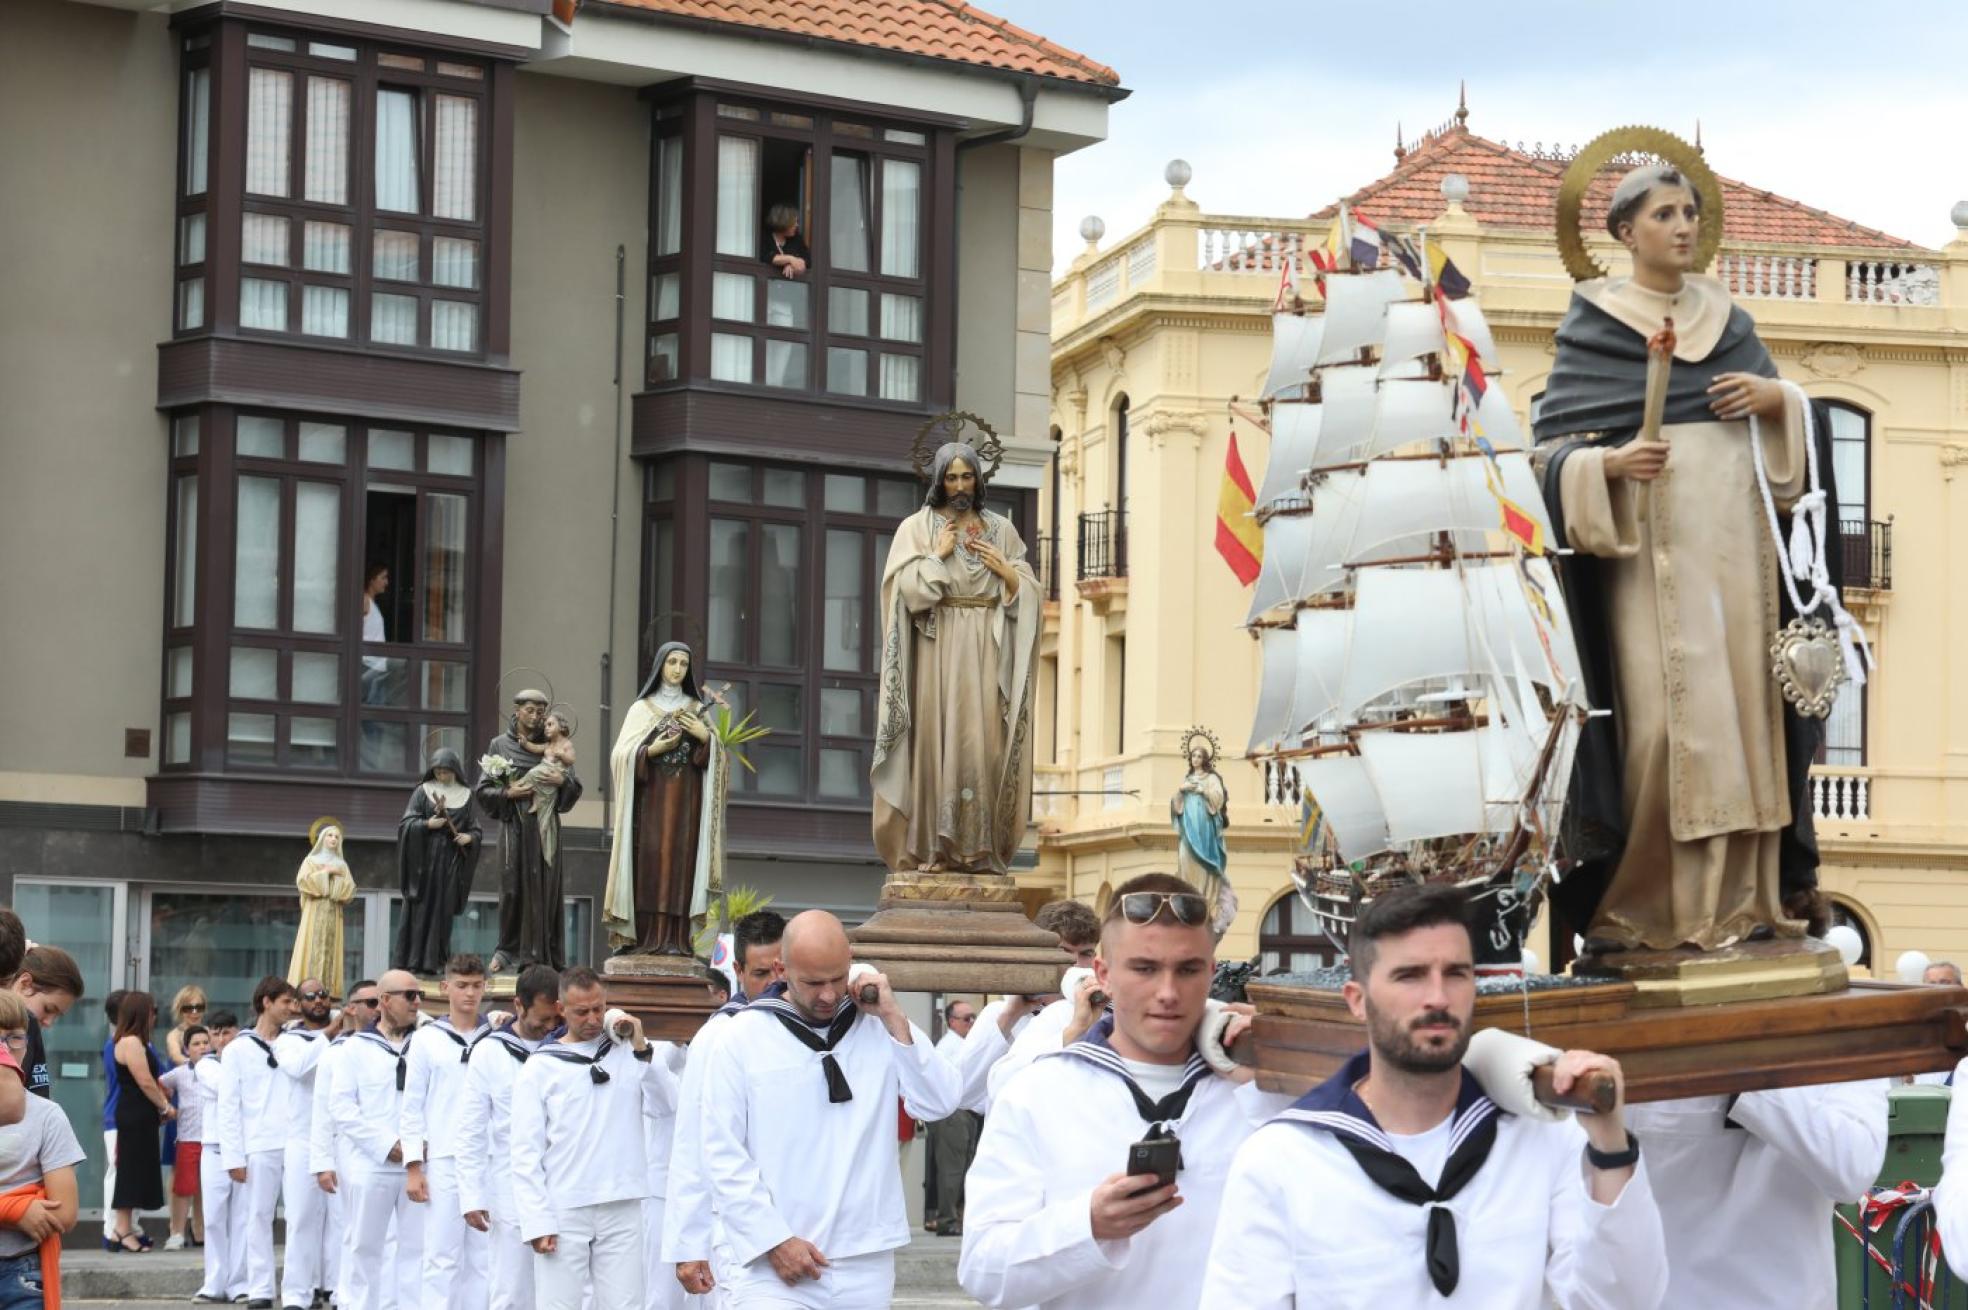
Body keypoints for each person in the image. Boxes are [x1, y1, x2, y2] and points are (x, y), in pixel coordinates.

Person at [1534, 162, 1830, 955]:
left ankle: (1747, 900)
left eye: (1690, 212)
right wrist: (1606, 465)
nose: (1683, 226)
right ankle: (1652, 907)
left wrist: (1778, 403)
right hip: (1645, 559)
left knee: (1748, 726)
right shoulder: (1594, 325)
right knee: (1661, 732)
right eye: (1664, 214)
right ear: (1625, 232)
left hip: (1738, 552)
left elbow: (1791, 464)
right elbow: (1547, 455)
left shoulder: (1728, 320)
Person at [1198, 884, 1667, 1308]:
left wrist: (1609, 1144)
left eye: (1456, 974)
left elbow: (1624, 1302)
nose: (1438, 997)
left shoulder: (1546, 1138)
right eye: (1411, 976)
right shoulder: (1283, 1158)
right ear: (1357, 1000)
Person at [957, 875, 1287, 1309]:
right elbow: (983, 1271)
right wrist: (1088, 1225)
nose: (1167, 993)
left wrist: (1267, 1081)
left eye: (1187, 969)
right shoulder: (1037, 1093)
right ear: (1104, 975)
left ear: (1211, 974)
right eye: (1144, 968)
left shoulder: (1262, 1095)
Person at [698, 911, 960, 1306]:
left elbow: (940, 1101)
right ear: (782, 970)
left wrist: (893, 1015)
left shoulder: (877, 1023)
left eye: (837, 979)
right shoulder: (740, 1037)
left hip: (866, 1258)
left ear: (850, 962)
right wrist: (773, 1240)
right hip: (772, 1264)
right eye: (813, 983)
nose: (827, 995)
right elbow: (721, 1152)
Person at [871, 442, 1041, 875]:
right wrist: (937, 557)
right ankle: (933, 848)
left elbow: (1028, 590)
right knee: (934, 742)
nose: (960, 486)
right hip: (937, 651)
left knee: (984, 746)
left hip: (988, 648)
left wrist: (1008, 575)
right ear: (939, 480)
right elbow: (904, 593)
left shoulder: (1002, 530)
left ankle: (979, 849)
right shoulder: (916, 527)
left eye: (967, 477)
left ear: (978, 480)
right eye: (952, 478)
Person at [1627, 1079, 1885, 1308]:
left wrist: (1749, 1077)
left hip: (1787, 1296)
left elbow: (1854, 1168)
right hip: (1665, 1294)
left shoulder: (1837, 1046)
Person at [510, 967, 678, 1310]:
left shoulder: (626, 1050)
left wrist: (642, 1046)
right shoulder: (539, 1067)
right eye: (581, 1011)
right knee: (559, 1305)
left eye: (598, 1009)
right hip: (564, 1204)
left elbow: (667, 1104)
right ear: (561, 1009)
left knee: (627, 1305)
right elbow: (525, 1152)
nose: (592, 1019)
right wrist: (536, 1220)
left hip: (622, 1200)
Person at [664, 908, 786, 1299]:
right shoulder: (719, 1035)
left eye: (781, 971)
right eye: (761, 973)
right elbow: (692, 1141)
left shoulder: (818, 1026)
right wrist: (687, 1244)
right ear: (738, 970)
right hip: (738, 1227)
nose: (774, 983)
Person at [605, 643, 725, 955]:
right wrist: (651, 751)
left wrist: (704, 737)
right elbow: (619, 755)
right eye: (672, 662)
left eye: (683, 664)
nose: (677, 669)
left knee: (680, 866)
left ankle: (676, 939)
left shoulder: (695, 708)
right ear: (660, 665)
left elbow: (717, 760)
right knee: (649, 863)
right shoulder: (641, 709)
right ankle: (643, 937)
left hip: (687, 803)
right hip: (649, 805)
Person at [458, 965, 561, 1310]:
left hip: (564, 1180)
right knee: (512, 1287)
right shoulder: (490, 1052)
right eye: (542, 1019)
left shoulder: (567, 1045)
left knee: (565, 1288)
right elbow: (471, 1127)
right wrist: (472, 1195)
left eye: (555, 1018)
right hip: (510, 1183)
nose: (550, 1026)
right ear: (519, 1005)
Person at [402, 956, 497, 1310]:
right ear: (445, 988)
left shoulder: (496, 1038)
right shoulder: (426, 1039)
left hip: (489, 1156)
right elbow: (412, 1106)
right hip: (444, 1156)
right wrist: (414, 1165)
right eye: (462, 985)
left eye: (476, 985)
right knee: (442, 1253)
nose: (470, 993)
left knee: (484, 1255)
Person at [331, 970, 426, 1310]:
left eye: (419, 995)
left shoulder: (427, 1043)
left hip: (418, 1163)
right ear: (385, 1001)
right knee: (364, 1248)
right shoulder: (354, 1048)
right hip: (371, 1164)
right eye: (409, 995)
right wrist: (386, 1145)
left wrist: (417, 1145)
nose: (417, 1002)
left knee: (416, 1250)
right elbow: (342, 1108)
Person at [477, 690, 582, 973]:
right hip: (513, 824)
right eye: (530, 710)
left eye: (540, 712)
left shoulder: (553, 743)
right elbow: (483, 791)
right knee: (512, 888)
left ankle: (541, 954)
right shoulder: (499, 744)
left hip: (544, 825)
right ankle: (507, 950)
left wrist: (562, 782)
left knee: (544, 890)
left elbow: (572, 786)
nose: (535, 717)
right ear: (517, 711)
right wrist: (507, 793)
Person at [0, 989, 83, 1307]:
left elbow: (65, 1212)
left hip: (23, 1270)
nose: (6, 1048)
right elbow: (33, 1210)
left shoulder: (48, 1115)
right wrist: (17, 1208)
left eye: (15, 1037)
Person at [220, 977, 299, 1309]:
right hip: (258, 1143)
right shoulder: (237, 1049)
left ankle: (296, 1292)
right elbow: (228, 1105)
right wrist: (233, 1156)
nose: (292, 1008)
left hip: (295, 1141)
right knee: (257, 1217)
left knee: (299, 1218)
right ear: (266, 1002)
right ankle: (260, 1289)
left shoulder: (296, 1043)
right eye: (286, 1002)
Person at [274, 977, 349, 1310]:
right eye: (310, 996)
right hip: (303, 1139)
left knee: (342, 1219)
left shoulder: (351, 1036)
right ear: (298, 1004)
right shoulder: (288, 1040)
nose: (318, 1000)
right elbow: (299, 1068)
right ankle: (297, 1294)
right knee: (302, 1219)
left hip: (340, 1138)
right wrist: (331, 1032)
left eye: (323, 995)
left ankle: (335, 1288)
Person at [987, 899, 1107, 1106]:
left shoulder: (1106, 1009)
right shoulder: (1002, 1012)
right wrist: (1010, 1017)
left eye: (1086, 954)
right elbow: (997, 1085)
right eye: (1064, 951)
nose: (1076, 963)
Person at [310, 983, 380, 1310]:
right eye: (370, 1002)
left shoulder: (401, 1043)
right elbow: (323, 1110)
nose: (378, 1008)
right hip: (348, 1150)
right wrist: (323, 1162)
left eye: (381, 1001)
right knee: (351, 1229)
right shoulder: (336, 1051)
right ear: (351, 1008)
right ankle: (345, 1296)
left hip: (387, 1152)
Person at [393, 750, 483, 975]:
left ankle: (437, 961)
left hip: (450, 863)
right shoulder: (422, 791)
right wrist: (426, 825)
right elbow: (406, 824)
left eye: (446, 772)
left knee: (443, 912)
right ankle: (413, 961)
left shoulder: (466, 795)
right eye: (438, 772)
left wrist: (469, 837)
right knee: (420, 911)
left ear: (455, 771)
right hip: (424, 862)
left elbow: (475, 828)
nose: (441, 776)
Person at [110, 991, 177, 1252]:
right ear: (141, 1013)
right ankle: (122, 1229)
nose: (155, 1016)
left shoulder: (134, 1041)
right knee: (130, 1170)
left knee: (135, 1170)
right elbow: (144, 1081)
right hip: (134, 1113)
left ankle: (124, 1228)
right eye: (152, 1011)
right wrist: (165, 1106)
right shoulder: (130, 1042)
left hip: (139, 1113)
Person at [194, 1010, 247, 1305]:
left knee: (241, 1219)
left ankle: (239, 1283)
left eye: (227, 1032)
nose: (221, 1039)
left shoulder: (247, 1059)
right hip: (214, 1148)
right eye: (215, 1034)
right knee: (214, 1218)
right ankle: (214, 1282)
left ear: (237, 1032)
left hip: (244, 1147)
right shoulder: (206, 1064)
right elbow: (225, 1087)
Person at [1171, 733, 1237, 935]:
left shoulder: (1211, 778)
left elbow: (1218, 798)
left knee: (1204, 865)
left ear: (1205, 759)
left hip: (1205, 828)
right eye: (1193, 756)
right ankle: (1189, 896)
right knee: (1185, 858)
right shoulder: (1187, 779)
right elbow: (1176, 805)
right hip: (1188, 827)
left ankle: (1205, 900)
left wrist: (1203, 791)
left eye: (1199, 756)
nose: (1196, 759)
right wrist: (1180, 790)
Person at [158, 1025, 212, 1264]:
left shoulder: (221, 1069)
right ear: (186, 1050)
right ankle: (177, 1233)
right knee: (183, 1188)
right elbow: (159, 1085)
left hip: (214, 1140)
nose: (202, 1047)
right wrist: (166, 1107)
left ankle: (206, 1232)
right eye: (196, 1044)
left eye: (205, 1042)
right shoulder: (179, 1073)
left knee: (212, 1189)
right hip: (188, 1138)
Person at [926, 1000, 980, 1237]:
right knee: (952, 1169)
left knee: (964, 1167)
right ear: (952, 1022)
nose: (972, 1022)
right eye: (966, 1018)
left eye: (973, 1017)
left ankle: (956, 1217)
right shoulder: (948, 1047)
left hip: (965, 1111)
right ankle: (947, 1220)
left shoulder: (964, 1044)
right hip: (952, 1112)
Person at [162, 984, 208, 1249]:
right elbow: (176, 1057)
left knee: (205, 1173)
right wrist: (201, 1059)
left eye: (199, 1007)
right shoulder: (175, 1035)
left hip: (202, 1101)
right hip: (181, 1101)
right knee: (178, 1169)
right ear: (180, 1009)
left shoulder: (205, 1033)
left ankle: (199, 1227)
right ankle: (175, 1227)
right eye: (189, 1007)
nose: (194, 1012)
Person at [290, 822, 357, 1001]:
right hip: (314, 911)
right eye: (330, 835)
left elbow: (350, 889)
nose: (333, 839)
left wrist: (336, 878)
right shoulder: (311, 861)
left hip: (333, 913)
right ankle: (305, 989)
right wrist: (325, 873)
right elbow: (303, 882)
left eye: (337, 836)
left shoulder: (342, 865)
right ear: (322, 838)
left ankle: (328, 991)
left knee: (330, 951)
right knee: (310, 947)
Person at [12, 946, 84, 1099]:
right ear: (25, 983)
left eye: (57, 1016)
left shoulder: (29, 1031)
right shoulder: (27, 1023)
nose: (49, 1022)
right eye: (48, 1009)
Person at [97, 988, 130, 1251]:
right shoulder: (116, 1044)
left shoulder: (128, 1042)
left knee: (128, 1175)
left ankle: (128, 1226)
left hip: (127, 1118)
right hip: (118, 1118)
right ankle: (111, 1229)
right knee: (117, 1173)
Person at [759, 204, 809, 279]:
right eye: (793, 222)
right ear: (783, 222)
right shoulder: (765, 237)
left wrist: (791, 265)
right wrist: (790, 259)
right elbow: (764, 256)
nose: (796, 225)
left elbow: (807, 260)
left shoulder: (797, 239)